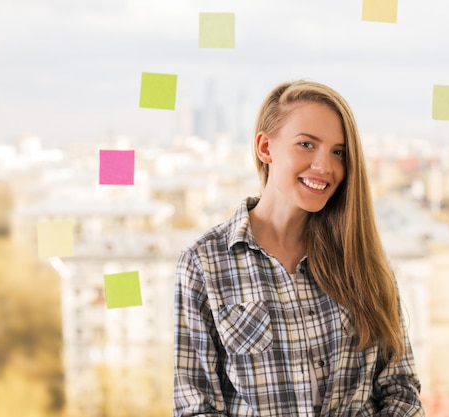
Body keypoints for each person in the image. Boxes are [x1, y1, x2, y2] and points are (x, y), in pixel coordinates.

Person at [173, 80, 425, 417]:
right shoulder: (205, 263)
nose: (325, 166)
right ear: (265, 147)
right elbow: (196, 406)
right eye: (306, 144)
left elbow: (401, 390)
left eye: (338, 152)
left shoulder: (362, 259)